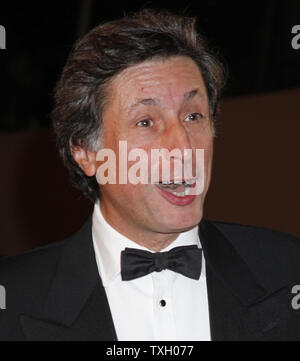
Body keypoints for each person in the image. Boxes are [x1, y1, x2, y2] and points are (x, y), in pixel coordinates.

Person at [0, 9, 300, 341]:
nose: (183, 147)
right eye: (146, 122)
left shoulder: (289, 271)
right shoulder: (12, 301)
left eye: (193, 116)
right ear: (85, 152)